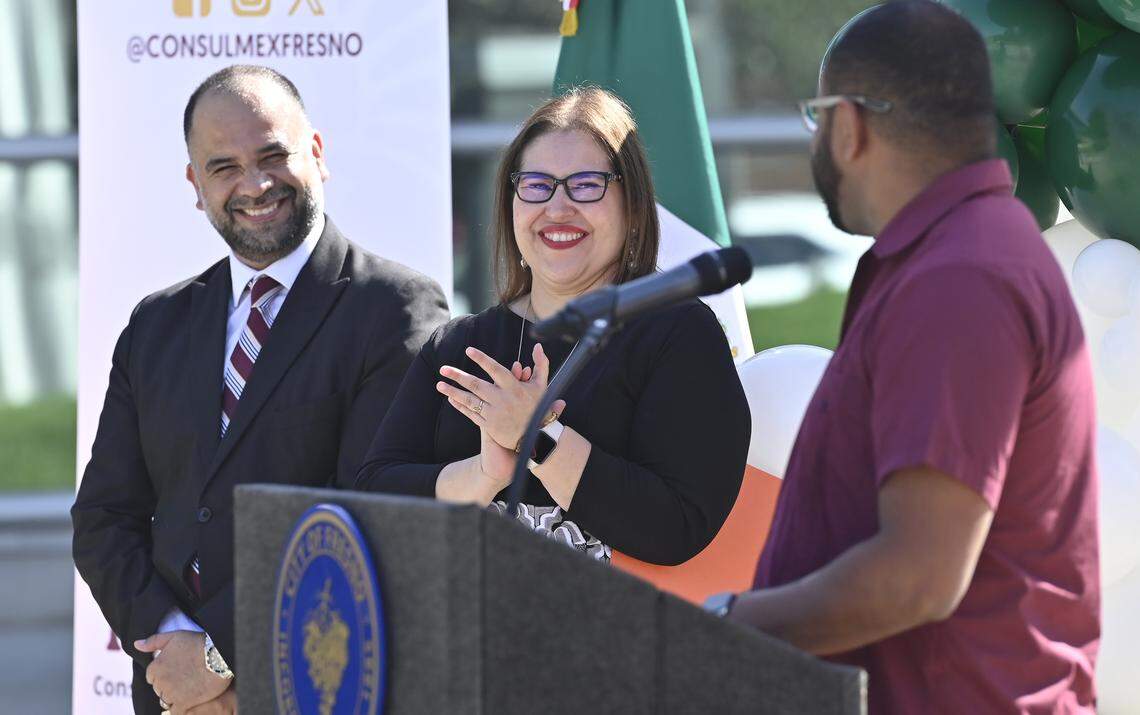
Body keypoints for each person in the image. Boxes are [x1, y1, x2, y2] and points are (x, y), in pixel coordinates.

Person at [718, 3, 1099, 713]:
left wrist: (728, 623)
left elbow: (918, 575)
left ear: (851, 125)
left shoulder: (960, 276)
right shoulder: (958, 254)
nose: (816, 141)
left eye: (816, 117)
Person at [71, 65, 449, 714]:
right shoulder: (155, 326)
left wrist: (218, 658)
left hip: (319, 683)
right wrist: (178, 651)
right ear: (196, 185)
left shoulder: (395, 310)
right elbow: (104, 519)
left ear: (318, 154)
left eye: (273, 155)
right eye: (224, 167)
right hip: (174, 698)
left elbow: (370, 516)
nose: (254, 184)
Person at [355, 87, 750, 567]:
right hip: (470, 635)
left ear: (633, 205)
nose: (557, 208)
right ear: (511, 204)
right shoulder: (460, 345)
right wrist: (483, 472)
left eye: (586, 185)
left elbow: (677, 527)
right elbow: (377, 501)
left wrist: (538, 439)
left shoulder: (679, 333)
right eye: (537, 185)